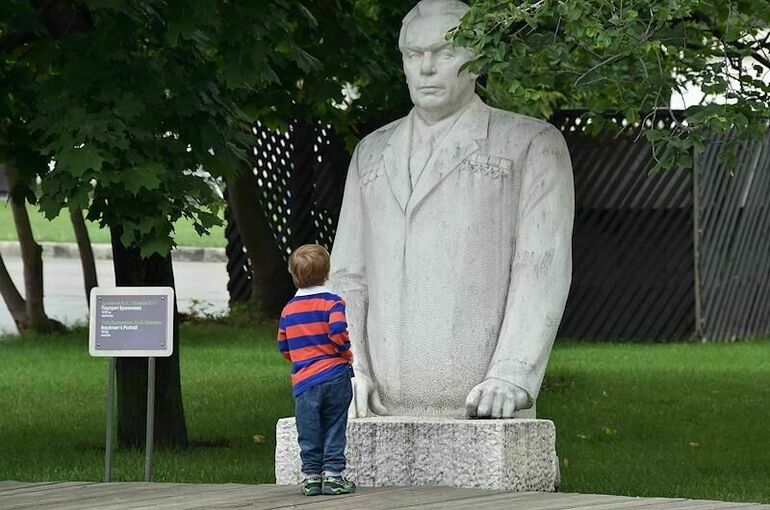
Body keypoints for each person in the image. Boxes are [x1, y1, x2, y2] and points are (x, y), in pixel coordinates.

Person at [330, 0, 575, 419]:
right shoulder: (371, 152)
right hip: (377, 404)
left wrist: (512, 374)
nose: (426, 68)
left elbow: (541, 265)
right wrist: (349, 369)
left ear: (476, 62)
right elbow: (348, 276)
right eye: (414, 55)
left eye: (444, 53)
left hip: (484, 400)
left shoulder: (530, 143)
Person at [277, 244, 356, 496]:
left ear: (294, 275)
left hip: (304, 382)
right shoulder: (333, 303)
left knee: (308, 428)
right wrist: (346, 353)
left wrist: (300, 359)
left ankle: (311, 477)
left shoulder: (289, 309)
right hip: (335, 374)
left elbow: (283, 345)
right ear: (327, 273)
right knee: (334, 425)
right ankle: (333, 476)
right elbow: (338, 331)